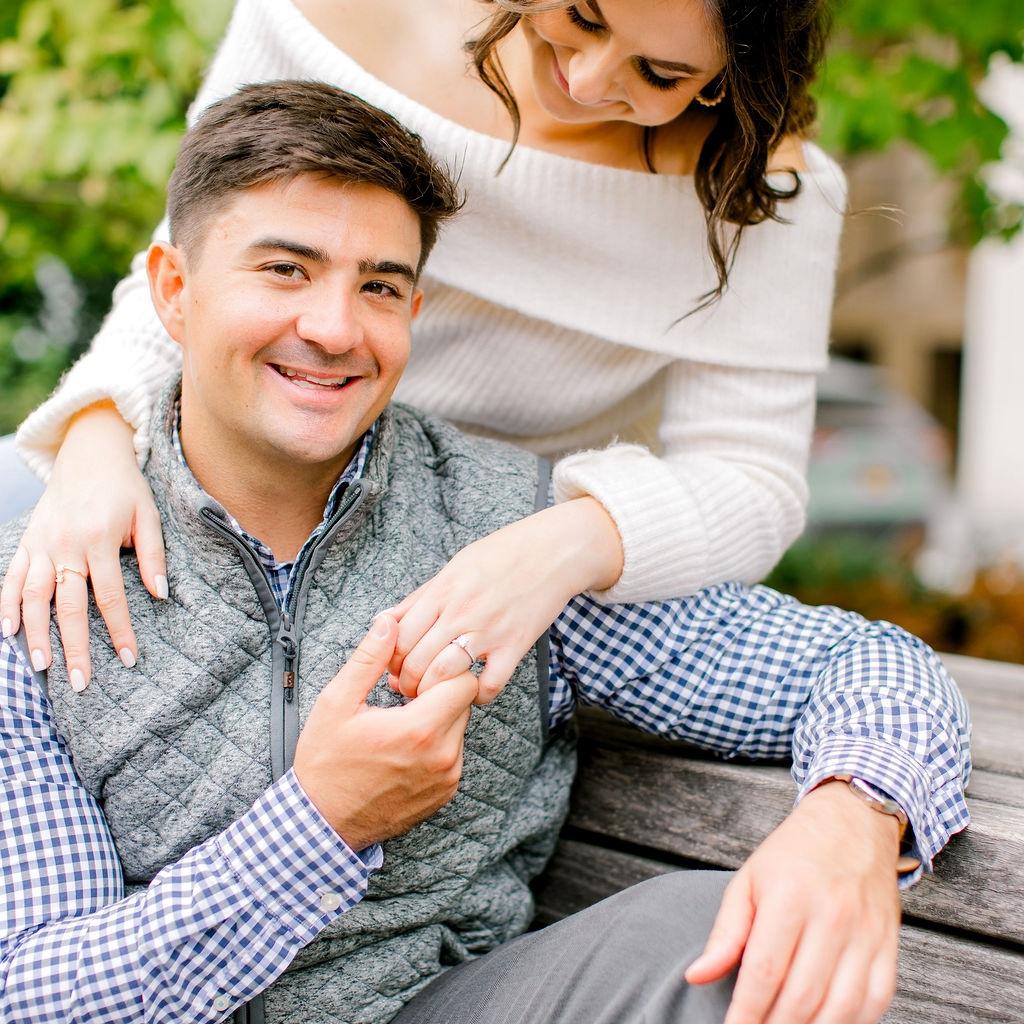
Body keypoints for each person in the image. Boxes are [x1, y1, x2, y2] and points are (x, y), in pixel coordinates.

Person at [0, 81, 970, 1024]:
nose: (334, 329)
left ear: (413, 313)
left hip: (434, 1004)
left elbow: (861, 664)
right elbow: (36, 994)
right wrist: (321, 825)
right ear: (174, 292)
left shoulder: (506, 535)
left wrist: (853, 816)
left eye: (380, 286)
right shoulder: (45, 578)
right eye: (286, 270)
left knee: (714, 935)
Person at [2, 0, 847, 706]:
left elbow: (752, 480)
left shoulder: (764, 197)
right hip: (241, 480)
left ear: (731, 75)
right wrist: (95, 435)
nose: (589, 81)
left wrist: (558, 545)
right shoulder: (334, 17)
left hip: (496, 555)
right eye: (582, 18)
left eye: (660, 74)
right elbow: (200, 265)